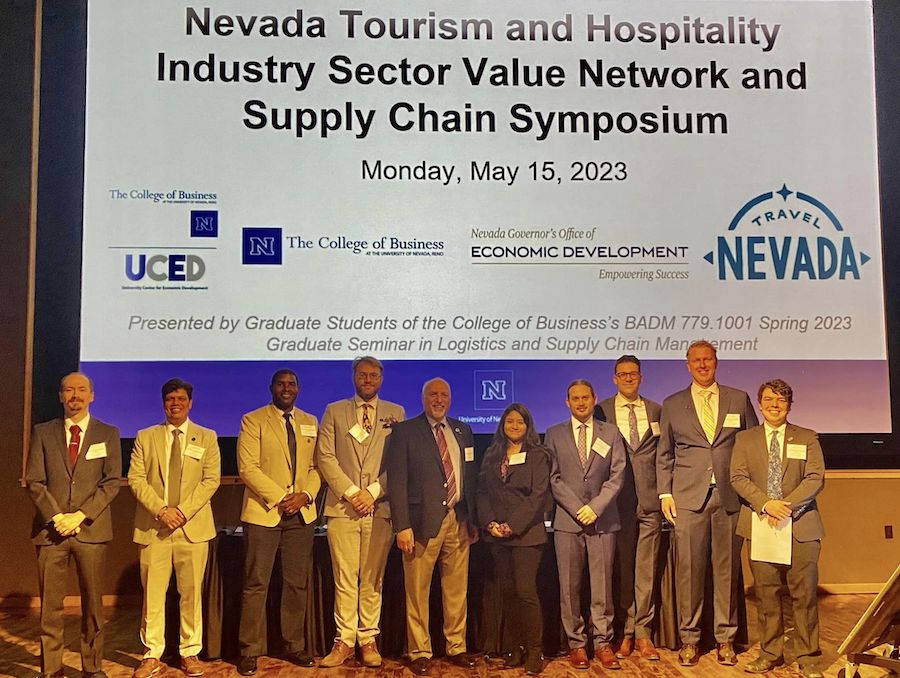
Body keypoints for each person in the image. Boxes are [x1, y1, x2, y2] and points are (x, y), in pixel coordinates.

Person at [656, 340, 758, 666]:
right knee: (689, 573)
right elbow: (664, 455)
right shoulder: (672, 404)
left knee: (727, 574)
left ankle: (725, 640)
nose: (702, 365)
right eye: (696, 360)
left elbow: (753, 446)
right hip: (687, 499)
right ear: (687, 365)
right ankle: (690, 639)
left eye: (708, 360)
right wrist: (665, 494)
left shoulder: (738, 399)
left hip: (730, 499)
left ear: (716, 362)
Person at [25, 372, 121, 678]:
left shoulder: (108, 433)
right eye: (68, 390)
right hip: (50, 532)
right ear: (60, 396)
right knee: (50, 609)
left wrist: (80, 516)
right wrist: (58, 519)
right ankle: (51, 670)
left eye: (81, 390)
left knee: (93, 606)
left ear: (92, 395)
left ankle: (91, 668)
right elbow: (35, 482)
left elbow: (111, 482)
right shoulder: (43, 432)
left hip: (90, 531)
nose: (75, 395)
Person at [731, 380, 825, 678]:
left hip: (801, 526)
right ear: (759, 403)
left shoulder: (807, 437)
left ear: (789, 405)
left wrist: (785, 505)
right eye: (769, 399)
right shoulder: (745, 439)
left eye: (781, 399)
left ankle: (808, 656)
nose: (775, 404)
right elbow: (738, 477)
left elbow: (815, 478)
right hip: (761, 525)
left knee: (805, 595)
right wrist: (766, 504)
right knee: (767, 595)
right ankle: (770, 653)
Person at [316, 356, 405, 668]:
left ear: (381, 379)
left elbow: (399, 462)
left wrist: (373, 493)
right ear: (354, 378)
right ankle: (344, 640)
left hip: (379, 508)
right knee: (344, 577)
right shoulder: (334, 411)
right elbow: (325, 457)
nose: (368, 380)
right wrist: (354, 493)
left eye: (373, 375)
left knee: (372, 577)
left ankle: (367, 638)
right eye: (362, 375)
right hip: (342, 508)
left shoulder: (396, 413)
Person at [385, 377, 479, 676]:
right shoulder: (405, 431)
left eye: (444, 394)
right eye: (433, 394)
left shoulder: (463, 431)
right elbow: (396, 482)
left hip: (459, 520)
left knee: (456, 591)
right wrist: (402, 525)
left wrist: (472, 518)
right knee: (417, 591)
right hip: (420, 523)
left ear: (450, 399)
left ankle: (456, 646)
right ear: (424, 398)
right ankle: (419, 651)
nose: (439, 399)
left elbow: (470, 478)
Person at [128, 378, 221, 678]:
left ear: (190, 403)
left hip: (192, 528)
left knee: (191, 594)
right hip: (155, 527)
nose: (175, 404)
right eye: (170, 399)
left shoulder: (207, 437)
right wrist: (161, 511)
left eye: (181, 399)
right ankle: (151, 654)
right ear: (163, 403)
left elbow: (211, 480)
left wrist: (181, 512)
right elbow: (136, 479)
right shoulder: (146, 437)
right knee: (152, 595)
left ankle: (189, 652)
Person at [236, 369, 322, 675]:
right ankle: (249, 649)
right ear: (271, 387)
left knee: (296, 583)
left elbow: (317, 467)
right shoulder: (253, 420)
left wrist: (304, 496)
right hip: (264, 512)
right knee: (256, 582)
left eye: (292, 384)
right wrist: (281, 497)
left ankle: (294, 645)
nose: (286, 388)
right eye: (281, 384)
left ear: (298, 389)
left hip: (301, 514)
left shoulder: (310, 422)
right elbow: (248, 468)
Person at [545, 379, 626, 670]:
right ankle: (576, 644)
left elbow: (617, 475)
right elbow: (553, 478)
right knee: (569, 587)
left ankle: (603, 643)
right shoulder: (553, 434)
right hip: (568, 521)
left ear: (594, 399)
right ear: (567, 402)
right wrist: (579, 508)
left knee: (602, 586)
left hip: (603, 521)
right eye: (575, 398)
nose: (580, 403)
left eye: (585, 398)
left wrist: (596, 507)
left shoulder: (612, 433)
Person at [597, 355, 664, 661]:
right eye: (622, 375)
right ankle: (624, 632)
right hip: (618, 502)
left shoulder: (656, 410)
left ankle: (643, 633)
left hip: (650, 501)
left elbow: (664, 456)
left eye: (633, 374)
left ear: (641, 377)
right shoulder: (602, 412)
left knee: (646, 571)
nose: (628, 379)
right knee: (623, 570)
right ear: (614, 379)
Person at [476, 403, 551, 675]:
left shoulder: (539, 455)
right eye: (510, 422)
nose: (515, 426)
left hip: (527, 536)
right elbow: (482, 492)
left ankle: (534, 651)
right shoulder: (492, 454)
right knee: (507, 593)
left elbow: (538, 497)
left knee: (525, 592)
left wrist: (513, 526)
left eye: (520, 422)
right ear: (502, 425)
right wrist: (490, 524)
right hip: (497, 537)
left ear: (528, 425)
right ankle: (516, 647)